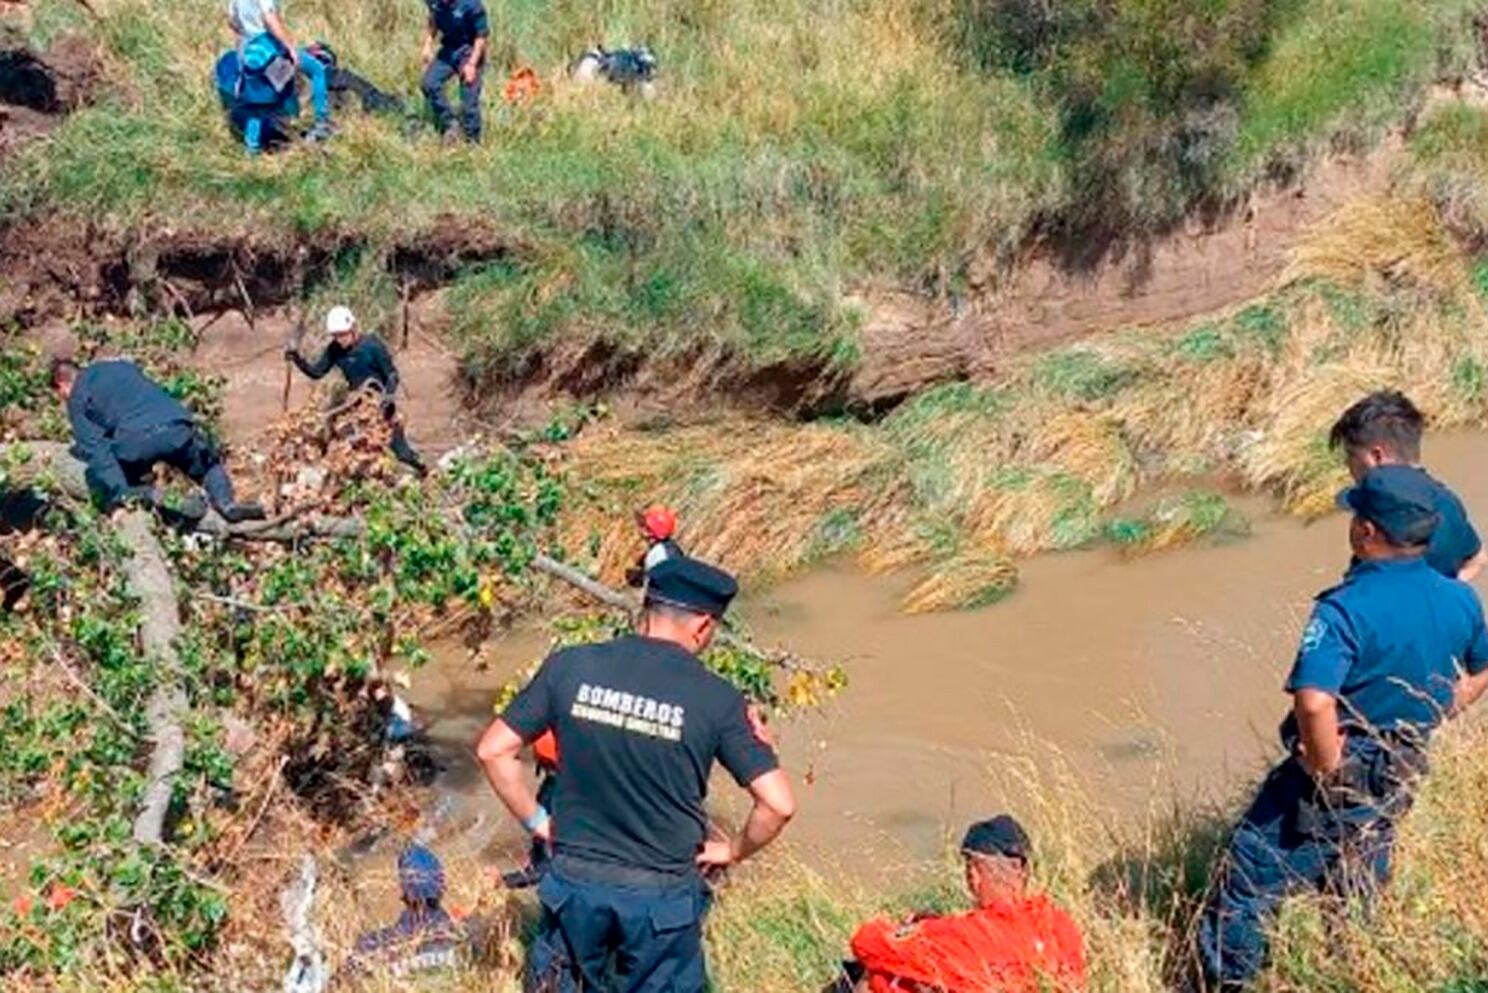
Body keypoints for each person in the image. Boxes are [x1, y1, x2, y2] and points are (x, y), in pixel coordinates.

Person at [1197, 464, 1488, 989]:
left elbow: (1313, 702)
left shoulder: (1344, 609)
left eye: (1356, 515)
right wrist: (1441, 710)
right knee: (1356, 883)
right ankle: (1349, 973)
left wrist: (1329, 767)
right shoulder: (1459, 599)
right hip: (1402, 768)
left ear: (1367, 531)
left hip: (1333, 774)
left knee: (1246, 883)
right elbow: (1482, 668)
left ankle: (1228, 983)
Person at [477, 556, 796, 993]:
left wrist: (539, 822)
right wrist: (733, 850)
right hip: (661, 900)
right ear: (703, 626)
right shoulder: (719, 699)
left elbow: (494, 751)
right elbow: (778, 804)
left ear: (647, 607)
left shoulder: (570, 665)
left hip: (574, 883)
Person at [845, 815, 1085, 993]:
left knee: (878, 974)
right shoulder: (1059, 924)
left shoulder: (967, 934)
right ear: (1023, 871)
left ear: (974, 874)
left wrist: (907, 929)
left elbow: (867, 944)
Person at [52, 358, 265, 524]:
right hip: (177, 426)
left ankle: (153, 497)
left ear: (62, 383)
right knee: (208, 466)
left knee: (120, 476)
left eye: (59, 393)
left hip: (136, 443)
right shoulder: (121, 367)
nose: (62, 399)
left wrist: (121, 494)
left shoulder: (77, 397)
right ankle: (226, 503)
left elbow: (96, 450)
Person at [1329, 390, 1485, 581]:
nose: (1348, 466)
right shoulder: (1448, 501)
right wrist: (1448, 595)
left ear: (1376, 456)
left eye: (1351, 456)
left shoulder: (1380, 515)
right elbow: (1478, 559)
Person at [285, 306, 427, 474]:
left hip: (382, 404)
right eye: (336, 335)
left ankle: (424, 469)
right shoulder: (335, 350)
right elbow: (317, 372)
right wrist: (297, 359)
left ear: (353, 328)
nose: (340, 340)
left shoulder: (372, 346)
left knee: (401, 452)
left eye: (343, 334)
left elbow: (392, 374)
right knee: (353, 450)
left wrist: (388, 398)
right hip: (357, 405)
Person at [339, 844, 466, 981]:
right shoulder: (459, 939)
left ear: (405, 889)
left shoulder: (376, 945)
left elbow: (347, 975)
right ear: (441, 885)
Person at [226, 0, 334, 145]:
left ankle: (252, 147)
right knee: (317, 69)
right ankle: (322, 122)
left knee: (257, 99)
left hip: (250, 54)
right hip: (271, 50)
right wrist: (290, 47)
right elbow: (270, 18)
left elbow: (233, 22)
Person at [420, 0, 489, 143]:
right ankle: (450, 123)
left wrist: (472, 64)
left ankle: (473, 141)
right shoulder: (433, 2)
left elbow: (481, 36)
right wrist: (427, 45)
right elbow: (433, 18)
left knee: (469, 101)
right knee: (429, 83)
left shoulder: (472, 5)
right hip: (449, 49)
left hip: (470, 50)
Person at [626, 504, 683, 587]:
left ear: (648, 532)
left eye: (642, 525)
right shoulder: (671, 548)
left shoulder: (658, 554)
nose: (639, 528)